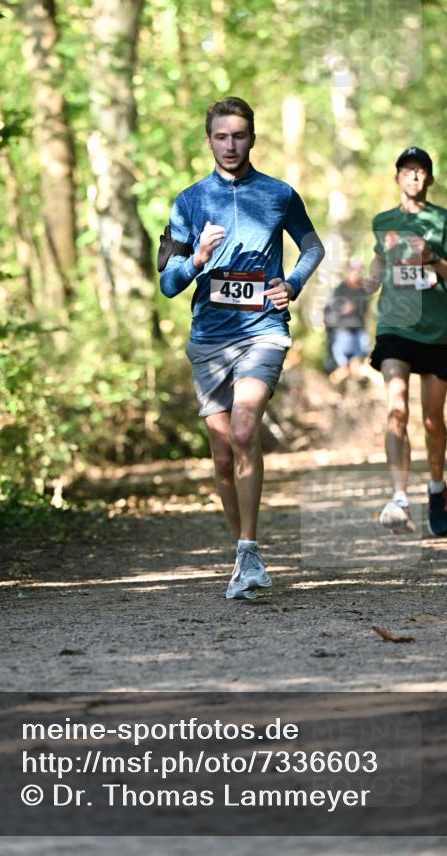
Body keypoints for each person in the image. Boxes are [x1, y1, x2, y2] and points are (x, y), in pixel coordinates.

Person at [159, 97, 325, 599]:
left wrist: (292, 283)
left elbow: (313, 246)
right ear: (208, 140)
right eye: (221, 136)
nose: (231, 145)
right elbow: (168, 283)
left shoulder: (279, 194)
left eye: (239, 135)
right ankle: (241, 553)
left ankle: (251, 552)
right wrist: (197, 259)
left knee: (246, 427)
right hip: (210, 338)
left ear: (253, 138)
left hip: (264, 330)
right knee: (224, 455)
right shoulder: (187, 203)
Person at [363, 146, 447, 536]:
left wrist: (434, 261)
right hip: (395, 327)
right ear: (397, 176)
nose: (414, 177)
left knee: (432, 420)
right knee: (397, 408)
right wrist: (371, 276)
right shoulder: (384, 221)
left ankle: (436, 487)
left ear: (429, 178)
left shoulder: (445, 221)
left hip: (437, 330)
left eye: (420, 171)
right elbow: (381, 260)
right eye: (407, 171)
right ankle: (399, 498)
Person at [323, 259, 370, 381]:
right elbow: (331, 310)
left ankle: (354, 383)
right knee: (343, 364)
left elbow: (364, 309)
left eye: (360, 271)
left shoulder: (362, 290)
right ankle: (336, 381)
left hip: (359, 330)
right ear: (348, 271)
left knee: (359, 361)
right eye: (355, 271)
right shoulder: (340, 289)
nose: (358, 274)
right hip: (343, 330)